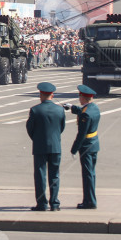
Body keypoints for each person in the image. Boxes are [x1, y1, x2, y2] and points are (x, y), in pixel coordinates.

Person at [26, 81, 66, 211]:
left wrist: (37, 139)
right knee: (54, 176)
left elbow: (30, 128)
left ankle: (42, 203)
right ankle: (54, 203)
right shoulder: (60, 110)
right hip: (55, 146)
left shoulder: (35, 110)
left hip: (40, 146)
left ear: (40, 95)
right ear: (52, 95)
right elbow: (61, 127)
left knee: (40, 175)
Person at [65, 85, 101, 209]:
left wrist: (74, 149)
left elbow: (81, 134)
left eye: (79, 96)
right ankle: (90, 199)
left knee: (87, 175)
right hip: (94, 144)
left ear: (83, 97)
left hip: (86, 146)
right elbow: (83, 110)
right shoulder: (94, 108)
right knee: (91, 174)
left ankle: (89, 202)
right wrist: (71, 107)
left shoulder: (85, 115)